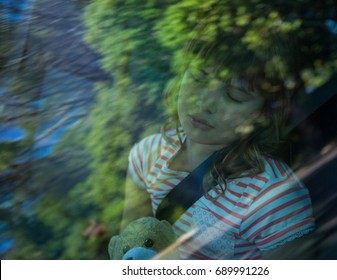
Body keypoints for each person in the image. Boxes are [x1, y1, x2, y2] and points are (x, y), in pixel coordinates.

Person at [123, 33, 315, 260]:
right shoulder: (146, 154)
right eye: (199, 78)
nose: (206, 103)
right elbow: (128, 249)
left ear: (262, 113)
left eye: (236, 95)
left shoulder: (270, 194)